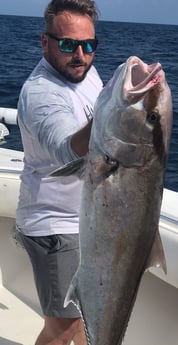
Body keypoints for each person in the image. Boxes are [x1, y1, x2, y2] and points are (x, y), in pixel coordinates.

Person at [16, 0, 103, 344]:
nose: (80, 54)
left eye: (88, 45)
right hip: (55, 225)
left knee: (80, 319)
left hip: (88, 221)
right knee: (63, 326)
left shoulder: (85, 72)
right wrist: (119, 120)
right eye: (68, 44)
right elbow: (68, 147)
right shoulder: (40, 93)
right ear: (45, 42)